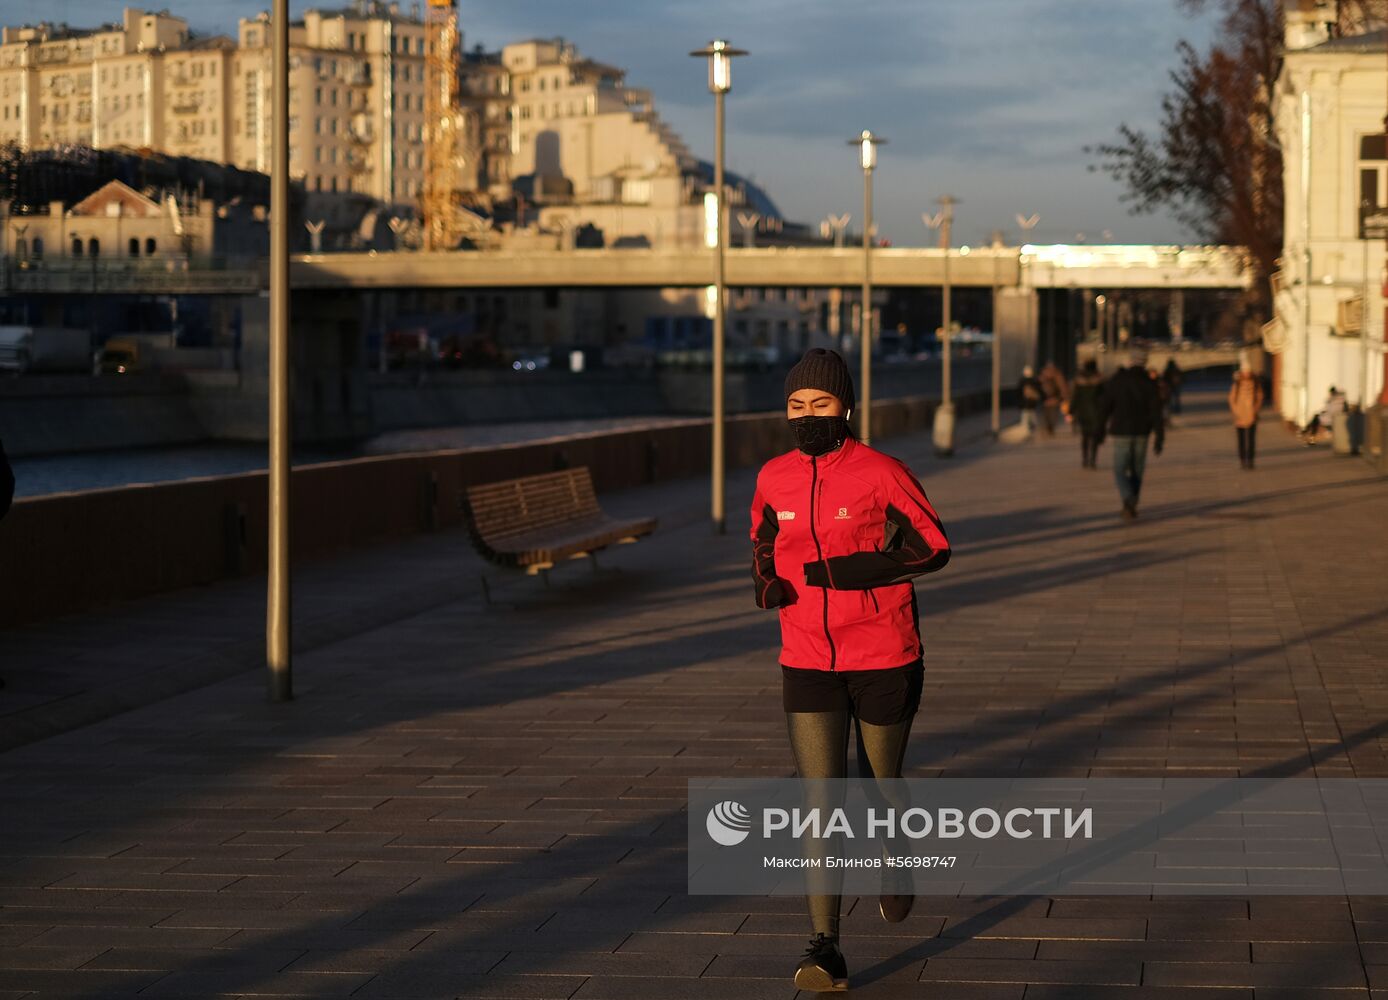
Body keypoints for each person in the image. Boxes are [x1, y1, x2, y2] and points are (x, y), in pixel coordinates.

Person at [749, 348, 951, 992]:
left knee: (880, 783)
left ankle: (896, 851)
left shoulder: (881, 472)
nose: (807, 416)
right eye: (796, 406)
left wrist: (842, 573)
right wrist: (767, 584)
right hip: (805, 653)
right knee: (819, 801)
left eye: (821, 405)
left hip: (884, 652)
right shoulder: (773, 476)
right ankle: (825, 947)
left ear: (847, 409)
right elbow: (761, 540)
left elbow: (933, 547)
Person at [1097, 348, 1165, 520]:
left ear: (1130, 360)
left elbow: (1105, 406)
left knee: (1120, 469)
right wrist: (1159, 436)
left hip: (1121, 432)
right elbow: (1156, 412)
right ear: (1145, 361)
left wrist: (1100, 430)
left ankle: (1128, 498)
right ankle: (1131, 501)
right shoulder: (1149, 383)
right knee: (1137, 470)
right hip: (1142, 431)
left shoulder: (1117, 380)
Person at [1228, 362, 1264, 469]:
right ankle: (1243, 460)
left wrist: (1255, 409)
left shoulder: (1256, 383)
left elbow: (1260, 396)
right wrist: (1236, 411)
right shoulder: (1237, 384)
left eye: (1248, 371)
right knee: (1241, 439)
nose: (1247, 373)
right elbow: (1231, 398)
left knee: (1251, 439)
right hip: (1240, 415)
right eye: (1245, 371)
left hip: (1252, 414)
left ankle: (1250, 460)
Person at [1070, 359, 1105, 469]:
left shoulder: (1079, 381)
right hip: (1096, 412)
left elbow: (1075, 397)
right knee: (1094, 437)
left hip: (1082, 412)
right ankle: (1093, 460)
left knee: (1085, 436)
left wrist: (1071, 410)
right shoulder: (1099, 381)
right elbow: (1104, 397)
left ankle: (1085, 459)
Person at [1037, 361, 1068, 436]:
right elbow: (1062, 387)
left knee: (1050, 415)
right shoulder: (1044, 377)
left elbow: (1062, 387)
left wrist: (1061, 397)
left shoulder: (1056, 376)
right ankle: (1049, 428)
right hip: (1048, 399)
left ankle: (1049, 428)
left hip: (1053, 398)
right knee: (1049, 415)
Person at [1017, 364, 1042, 435]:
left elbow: (1018, 393)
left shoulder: (1022, 382)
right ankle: (1034, 429)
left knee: (1026, 417)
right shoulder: (1034, 381)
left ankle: (1026, 429)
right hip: (1031, 403)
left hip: (1026, 403)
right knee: (1032, 417)